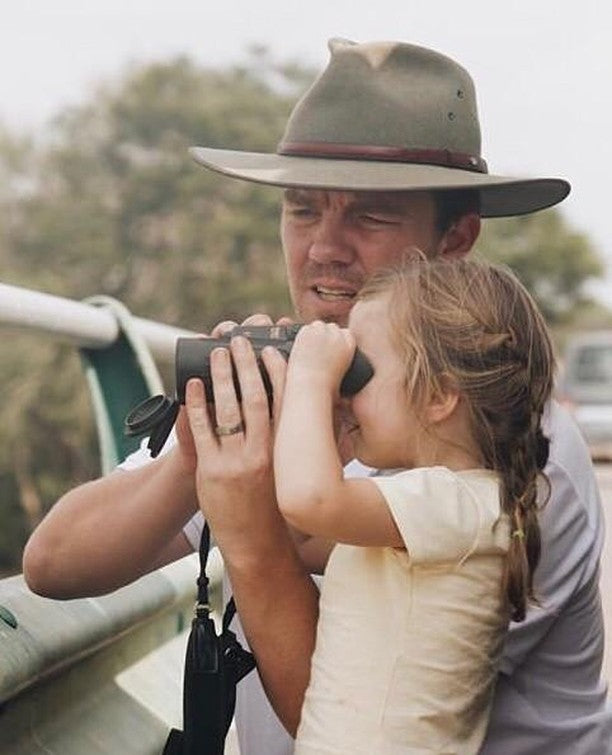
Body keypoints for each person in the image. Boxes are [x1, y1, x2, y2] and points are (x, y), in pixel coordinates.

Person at [22, 39, 611, 753]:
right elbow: (54, 566)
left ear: (455, 237)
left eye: (369, 217)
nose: (323, 247)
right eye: (302, 210)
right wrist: (204, 455)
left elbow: (349, 724)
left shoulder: (506, 440)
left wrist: (248, 525)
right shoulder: (294, 384)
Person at [186, 256, 554, 753]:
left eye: (356, 371)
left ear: (439, 396)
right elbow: (294, 536)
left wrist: (311, 381)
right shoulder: (438, 511)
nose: (342, 393)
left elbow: (307, 501)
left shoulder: (458, 503)